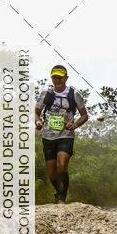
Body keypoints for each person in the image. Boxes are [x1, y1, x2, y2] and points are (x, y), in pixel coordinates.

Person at [35, 65, 88, 203]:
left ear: (66, 78)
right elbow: (36, 113)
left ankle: (62, 200)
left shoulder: (74, 94)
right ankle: (59, 192)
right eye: (55, 77)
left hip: (66, 136)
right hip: (48, 136)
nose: (57, 80)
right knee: (52, 173)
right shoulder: (46, 93)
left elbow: (84, 116)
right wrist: (38, 122)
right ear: (51, 78)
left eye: (60, 77)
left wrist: (75, 125)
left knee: (62, 163)